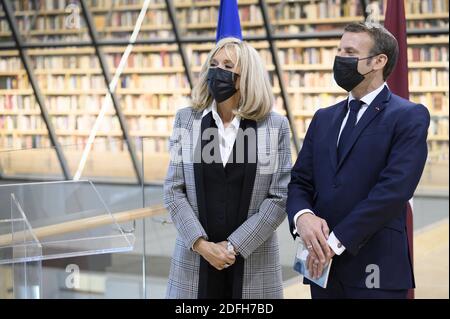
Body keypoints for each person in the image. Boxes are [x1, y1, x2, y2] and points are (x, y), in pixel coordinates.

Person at [287, 22, 430, 299]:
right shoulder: (323, 118)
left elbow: (393, 191)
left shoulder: (409, 116)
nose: (340, 57)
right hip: (321, 271)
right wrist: (302, 218)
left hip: (375, 269)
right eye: (339, 49)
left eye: (350, 51)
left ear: (378, 61)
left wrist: (333, 243)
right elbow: (300, 181)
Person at [164, 37, 291, 299]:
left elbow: (279, 197)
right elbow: (174, 190)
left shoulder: (274, 126)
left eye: (227, 65)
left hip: (253, 264)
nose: (217, 70)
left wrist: (231, 247)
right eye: (213, 63)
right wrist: (202, 246)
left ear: (247, 75)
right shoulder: (186, 120)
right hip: (194, 263)